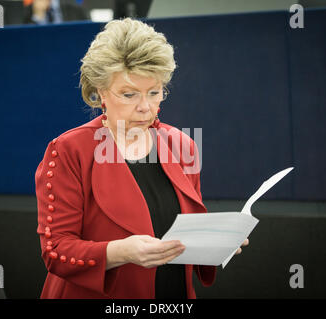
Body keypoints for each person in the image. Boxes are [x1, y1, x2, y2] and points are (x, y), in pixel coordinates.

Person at [35, 17, 249, 299]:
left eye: (154, 92)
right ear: (101, 93)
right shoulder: (68, 150)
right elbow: (56, 251)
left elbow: (187, 232)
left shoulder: (181, 145)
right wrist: (119, 252)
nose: (145, 108)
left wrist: (215, 244)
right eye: (128, 94)